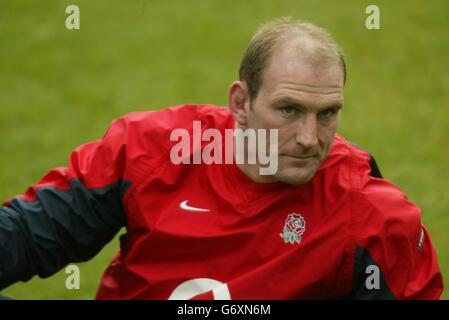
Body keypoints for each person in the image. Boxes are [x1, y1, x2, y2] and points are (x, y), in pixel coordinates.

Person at [0, 17, 443, 299]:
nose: (310, 138)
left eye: (327, 114)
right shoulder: (151, 150)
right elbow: (30, 232)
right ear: (240, 102)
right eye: (289, 110)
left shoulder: (372, 216)